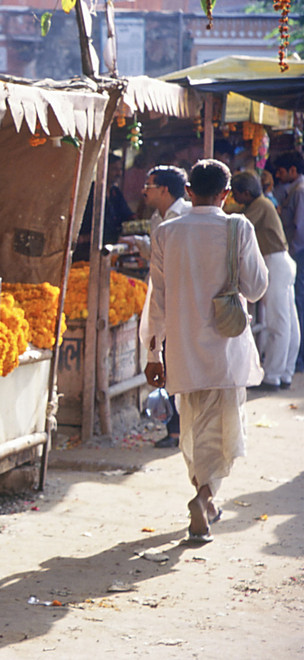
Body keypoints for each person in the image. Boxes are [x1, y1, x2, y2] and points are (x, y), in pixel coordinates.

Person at [144, 159, 268, 543]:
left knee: (194, 427)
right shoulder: (238, 226)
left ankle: (206, 498)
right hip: (225, 346)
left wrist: (152, 353)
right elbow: (257, 287)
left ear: (189, 192)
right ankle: (205, 496)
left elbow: (157, 300)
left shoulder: (167, 233)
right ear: (226, 194)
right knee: (222, 426)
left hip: (181, 349)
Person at [129, 165, 190, 448]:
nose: (144, 190)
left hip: (186, 302)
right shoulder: (158, 219)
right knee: (166, 360)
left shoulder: (188, 216)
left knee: (183, 365)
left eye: (149, 185)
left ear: (164, 189)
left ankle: (184, 429)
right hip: (164, 298)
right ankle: (175, 430)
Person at [230, 171, 299, 390]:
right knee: (288, 321)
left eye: (235, 194)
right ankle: (285, 372)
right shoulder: (260, 203)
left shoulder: (260, 205)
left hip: (275, 262)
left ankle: (273, 376)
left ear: (246, 193)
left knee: (278, 323)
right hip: (280, 261)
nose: (234, 198)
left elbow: (238, 226)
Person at [272, 151, 304, 372]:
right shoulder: (295, 190)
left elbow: (300, 230)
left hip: (299, 254)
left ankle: (299, 359)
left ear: (293, 170)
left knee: (298, 305)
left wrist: (290, 254)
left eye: (282, 172)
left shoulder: (299, 192)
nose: (279, 176)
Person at [73, 154, 134, 261]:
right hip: (87, 248)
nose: (118, 173)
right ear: (104, 169)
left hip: (109, 247)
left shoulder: (115, 193)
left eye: (120, 170)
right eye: (115, 169)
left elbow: (127, 216)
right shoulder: (91, 192)